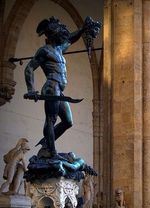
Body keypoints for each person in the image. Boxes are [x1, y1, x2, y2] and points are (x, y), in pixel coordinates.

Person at [24, 16, 101, 158]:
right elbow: (29, 68)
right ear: (53, 35)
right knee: (51, 119)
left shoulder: (59, 49)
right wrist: (30, 90)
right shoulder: (44, 51)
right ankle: (52, 152)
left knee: (68, 122)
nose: (63, 36)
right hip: (51, 87)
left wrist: (83, 29)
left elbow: (71, 38)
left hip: (59, 90)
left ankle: (47, 143)